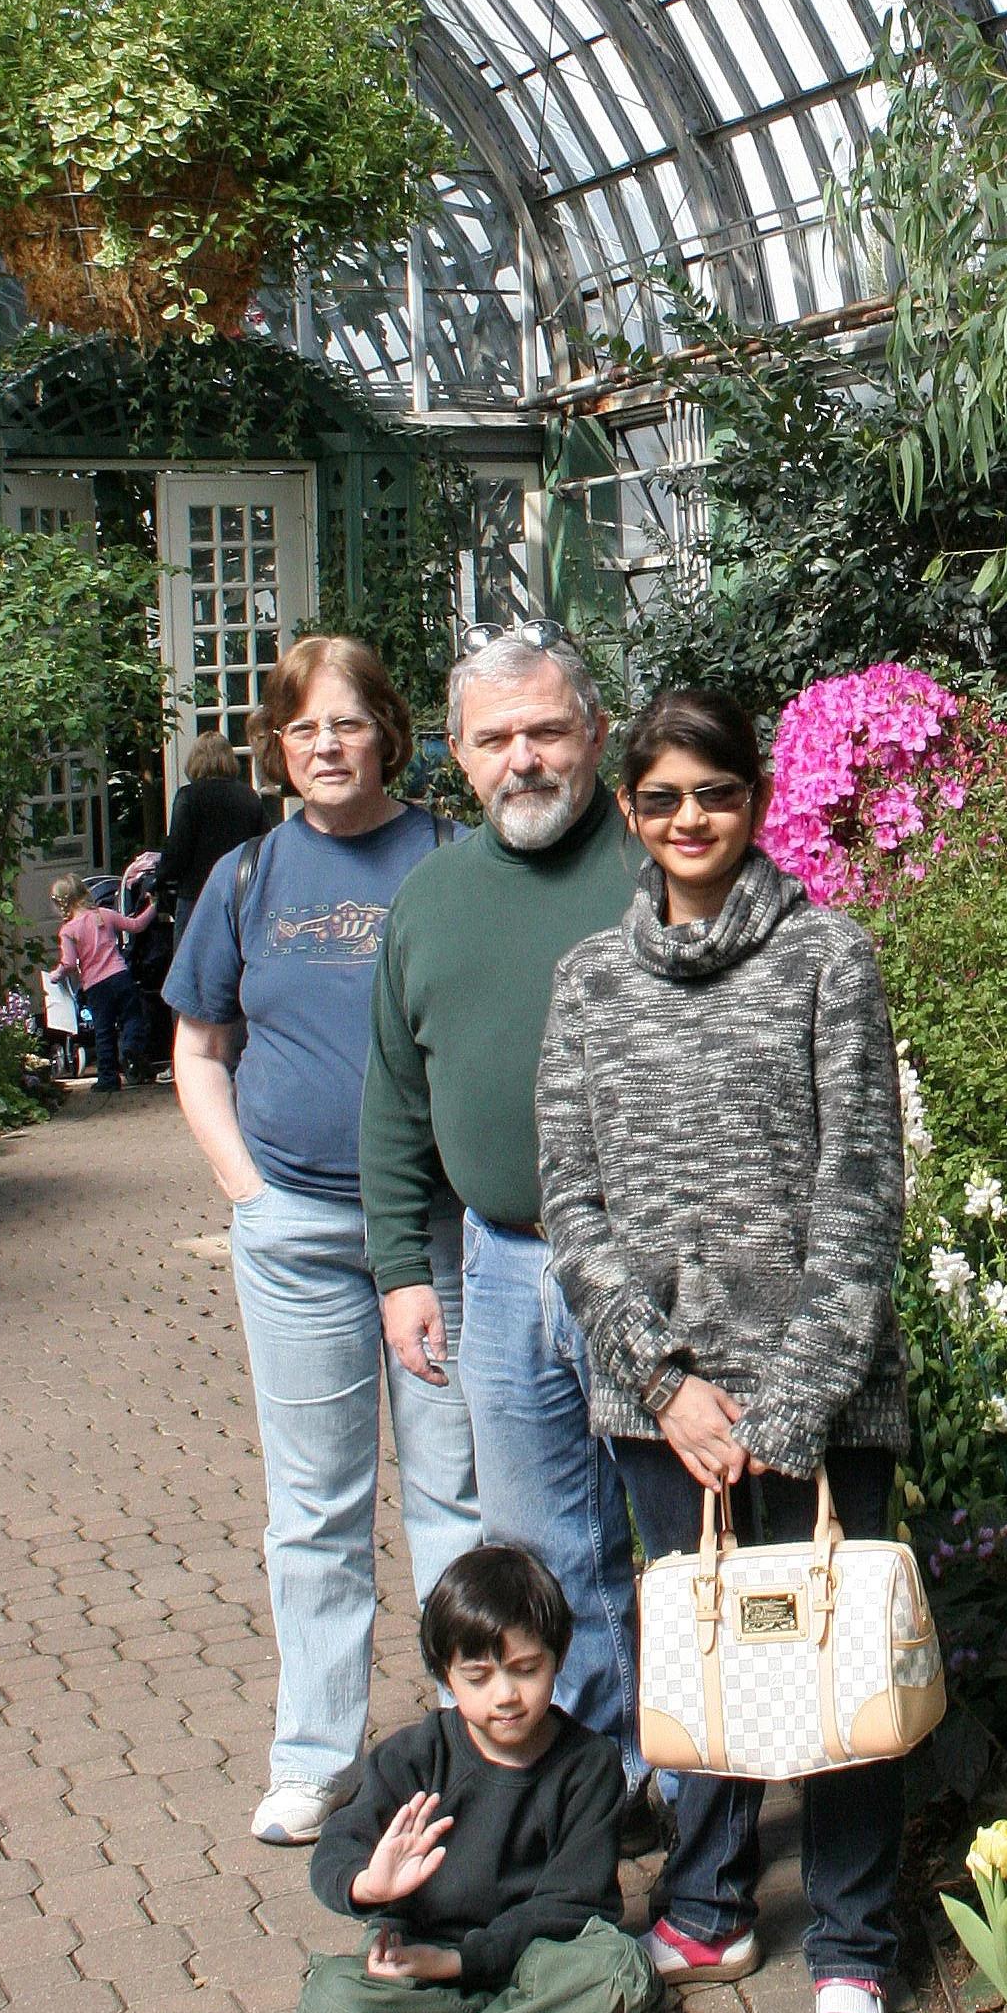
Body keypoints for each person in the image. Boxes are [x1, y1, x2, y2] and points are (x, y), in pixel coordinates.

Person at [534, 685, 912, 2013]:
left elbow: (861, 1192)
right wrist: (663, 1380)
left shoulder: (826, 959)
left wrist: (791, 1400)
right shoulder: (587, 983)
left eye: (715, 793)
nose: (689, 819)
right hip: (660, 1405)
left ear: (756, 801)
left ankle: (854, 1952)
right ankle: (703, 1907)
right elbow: (570, 1203)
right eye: (661, 799)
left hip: (819, 1392)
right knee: (693, 1657)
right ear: (629, 816)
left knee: (832, 1670)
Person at [167, 634, 481, 1849]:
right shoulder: (247, 875)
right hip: (294, 1233)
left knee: (457, 1495)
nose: (325, 748)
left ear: (388, 733)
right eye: (303, 730)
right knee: (314, 1506)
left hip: (436, 1232)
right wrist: (244, 1188)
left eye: (347, 724)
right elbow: (200, 1046)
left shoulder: (449, 856)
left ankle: (476, 1740)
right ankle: (315, 1753)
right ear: (277, 746)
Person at [361, 623, 649, 1819]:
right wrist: (399, 1269)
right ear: (459, 759)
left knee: (682, 1549)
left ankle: (697, 1784)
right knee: (539, 1560)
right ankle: (601, 1797)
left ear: (593, 733)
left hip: (652, 1267)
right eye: (495, 739)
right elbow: (391, 1100)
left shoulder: (658, 874)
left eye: (544, 729)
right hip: (500, 1262)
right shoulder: (430, 902)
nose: (523, 758)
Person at [271, 1540, 661, 2013]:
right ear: (446, 1675)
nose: (506, 1695)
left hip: (535, 1969)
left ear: (558, 1657)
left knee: (620, 1968)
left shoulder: (591, 1765)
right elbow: (338, 1849)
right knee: (331, 1996)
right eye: (477, 1677)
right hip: (424, 1982)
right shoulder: (412, 1757)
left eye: (527, 1670)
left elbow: (573, 1905)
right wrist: (368, 1888)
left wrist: (456, 1961)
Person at [152, 731, 274, 955]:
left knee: (191, 966)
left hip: (195, 895)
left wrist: (160, 878)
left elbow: (178, 851)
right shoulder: (248, 797)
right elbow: (264, 848)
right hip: (239, 896)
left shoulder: (189, 797)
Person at [50, 872, 155, 1094]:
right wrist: (154, 906)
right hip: (120, 976)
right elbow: (136, 925)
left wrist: (56, 975)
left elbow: (68, 963)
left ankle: (108, 1078)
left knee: (104, 1031)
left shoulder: (68, 930)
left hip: (96, 987)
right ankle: (131, 1049)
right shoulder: (104, 915)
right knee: (133, 1018)